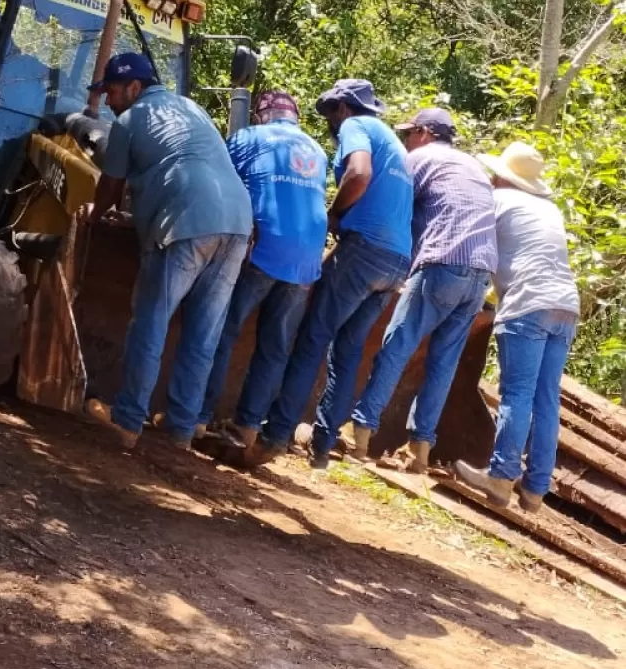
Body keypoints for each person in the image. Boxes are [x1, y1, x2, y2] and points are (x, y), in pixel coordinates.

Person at [84, 52, 253, 450]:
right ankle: (180, 428)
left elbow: (110, 184)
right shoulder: (191, 108)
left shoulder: (127, 122)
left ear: (134, 88)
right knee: (203, 333)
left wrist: (94, 217)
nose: (108, 102)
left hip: (185, 221)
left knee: (151, 322)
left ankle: (127, 421)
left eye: (111, 92)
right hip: (237, 222)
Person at [244, 78, 413, 468]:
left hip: (365, 251)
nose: (329, 124)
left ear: (342, 107)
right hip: (395, 261)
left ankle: (275, 435)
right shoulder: (394, 142)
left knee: (312, 337)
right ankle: (322, 446)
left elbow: (358, 173)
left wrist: (332, 214)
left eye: (329, 114)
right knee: (349, 350)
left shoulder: (357, 127)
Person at [346, 108, 498, 470]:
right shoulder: (474, 167)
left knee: (395, 347)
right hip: (479, 274)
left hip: (442, 263)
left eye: (409, 133)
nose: (404, 140)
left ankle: (360, 436)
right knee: (443, 363)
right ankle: (420, 452)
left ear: (426, 133)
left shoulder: (419, 158)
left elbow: (392, 206)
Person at [198, 90, 329, 448]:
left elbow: (216, 185)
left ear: (261, 115)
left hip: (263, 248)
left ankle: (199, 416)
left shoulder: (248, 137)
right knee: (275, 347)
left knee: (223, 331)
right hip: (306, 258)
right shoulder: (317, 151)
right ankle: (249, 427)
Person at [455, 141, 579, 512]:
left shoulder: (499, 202)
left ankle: (501, 475)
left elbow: (472, 245)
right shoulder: (549, 209)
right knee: (546, 398)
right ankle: (536, 488)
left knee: (517, 393)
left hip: (528, 303)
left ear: (502, 177)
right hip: (565, 305)